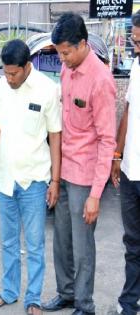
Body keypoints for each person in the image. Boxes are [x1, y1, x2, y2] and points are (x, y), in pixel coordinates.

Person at [41, 13, 116, 315]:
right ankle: (67, 293)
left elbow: (107, 140)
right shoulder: (66, 68)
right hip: (64, 170)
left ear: (83, 44)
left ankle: (85, 305)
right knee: (61, 240)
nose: (62, 58)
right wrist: (55, 177)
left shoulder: (101, 80)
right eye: (59, 52)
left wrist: (96, 195)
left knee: (83, 246)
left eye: (67, 52)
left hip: (86, 177)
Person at [0, 39, 62, 315]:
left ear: (27, 66)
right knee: (7, 242)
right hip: (5, 179)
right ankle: (9, 291)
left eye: (14, 73)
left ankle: (33, 298)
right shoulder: (1, 87)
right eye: (5, 72)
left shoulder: (48, 90)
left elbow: (55, 136)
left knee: (36, 244)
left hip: (35, 181)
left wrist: (55, 181)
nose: (9, 78)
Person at [111, 9, 140, 315]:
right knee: (133, 243)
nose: (136, 47)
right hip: (132, 171)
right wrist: (117, 155)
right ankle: (129, 303)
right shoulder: (137, 68)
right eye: (134, 40)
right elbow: (129, 112)